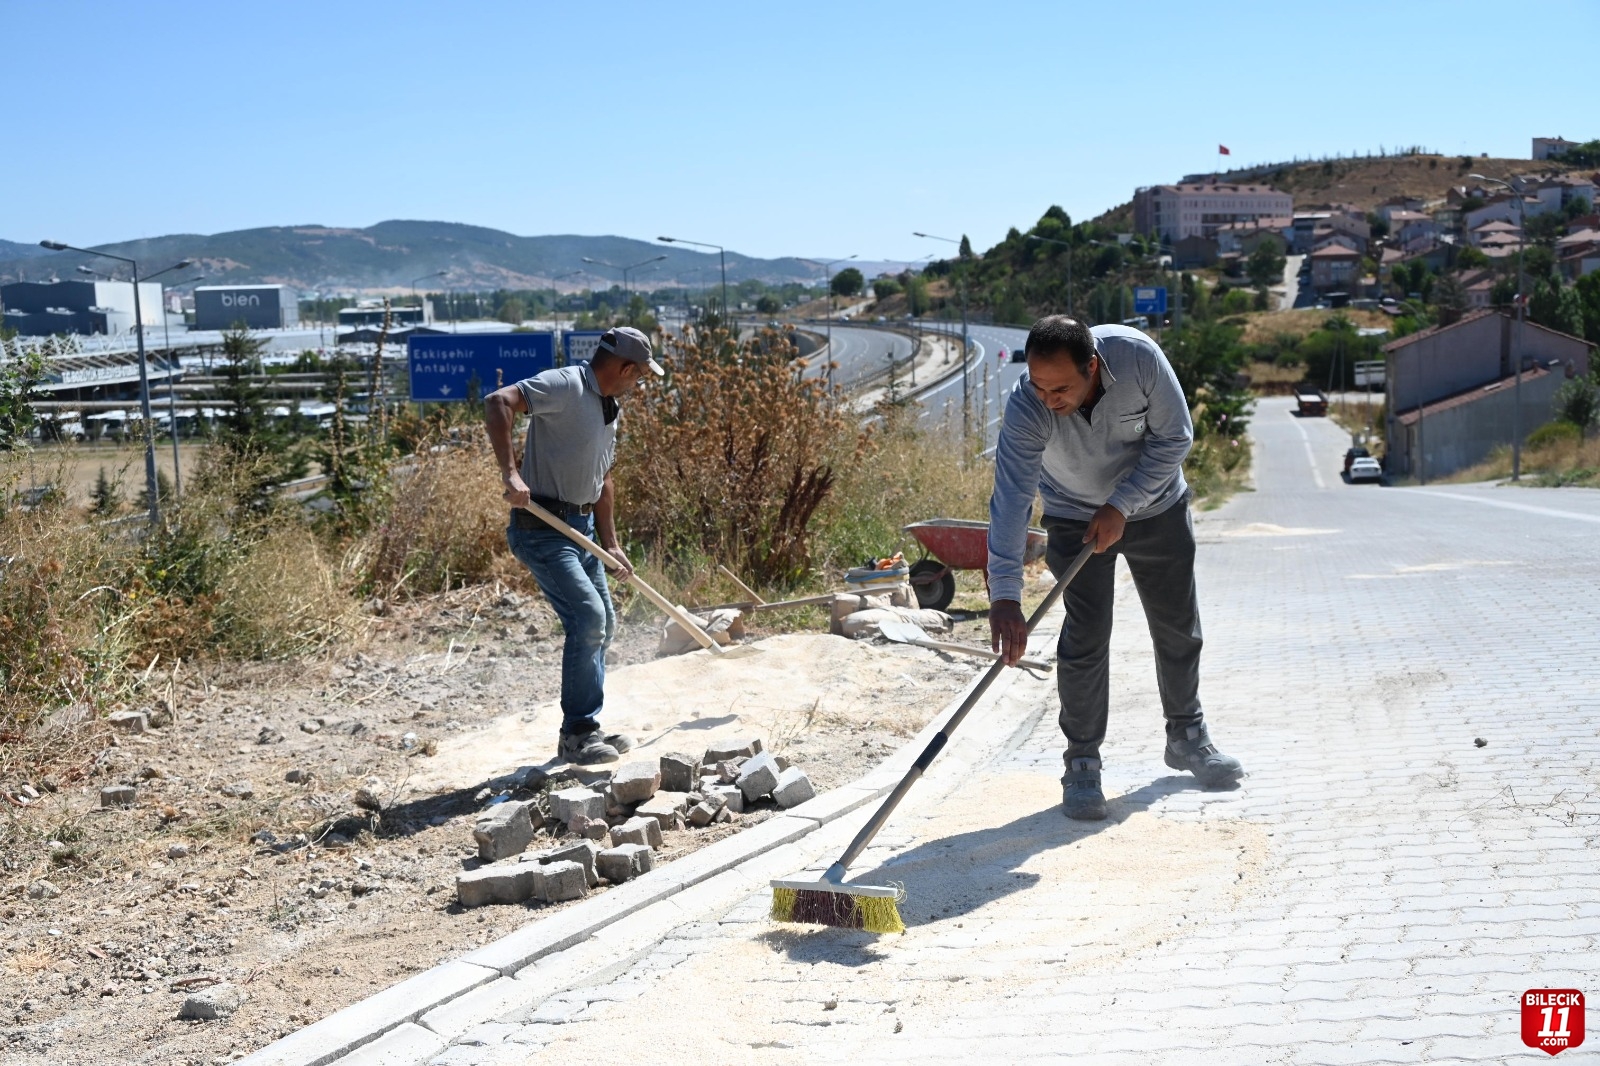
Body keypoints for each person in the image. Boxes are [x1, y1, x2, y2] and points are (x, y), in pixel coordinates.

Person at [987, 315, 1243, 820]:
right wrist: (1004, 596)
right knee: (1085, 635)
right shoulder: (1027, 403)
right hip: (1071, 514)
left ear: (1094, 366)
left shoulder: (1139, 358)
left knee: (1176, 627)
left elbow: (1176, 438)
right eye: (1040, 386)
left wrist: (1121, 505)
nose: (1049, 398)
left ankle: (1187, 736)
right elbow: (1012, 497)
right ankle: (1082, 761)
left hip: (1155, 507)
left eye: (1061, 387)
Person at [484, 325, 663, 765]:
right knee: (588, 619)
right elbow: (499, 402)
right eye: (639, 375)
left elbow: (602, 479)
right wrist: (510, 473)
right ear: (623, 367)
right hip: (542, 529)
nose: (638, 383)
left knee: (605, 623)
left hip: (581, 530)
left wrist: (612, 543)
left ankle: (589, 725)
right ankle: (577, 733)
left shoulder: (608, 407)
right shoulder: (565, 385)